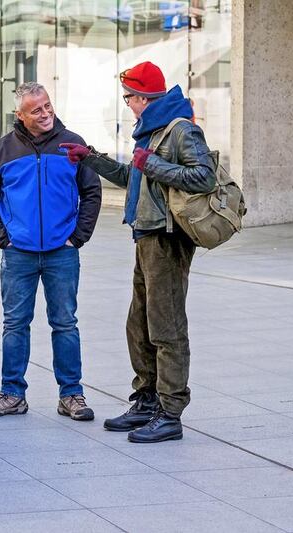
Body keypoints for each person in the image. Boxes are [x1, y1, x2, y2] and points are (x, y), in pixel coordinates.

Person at [60, 61, 216, 443]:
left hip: (168, 239)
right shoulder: (150, 131)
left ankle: (170, 412)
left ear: (145, 97)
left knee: (166, 328)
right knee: (139, 325)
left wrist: (156, 164)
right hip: (145, 235)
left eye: (129, 97)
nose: (127, 103)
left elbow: (204, 177)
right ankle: (146, 400)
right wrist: (90, 157)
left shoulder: (180, 130)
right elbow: (135, 178)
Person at [0, 81, 102, 421]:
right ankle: (12, 393)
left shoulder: (73, 145)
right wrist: (2, 237)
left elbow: (92, 192)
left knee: (65, 324)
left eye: (47, 106)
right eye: (36, 109)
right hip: (19, 254)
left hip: (63, 252)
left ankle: (71, 395)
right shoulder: (1, 150)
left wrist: (78, 237)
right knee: (15, 324)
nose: (45, 113)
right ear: (20, 115)